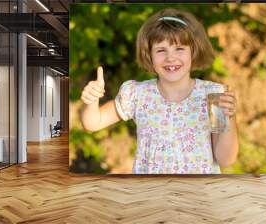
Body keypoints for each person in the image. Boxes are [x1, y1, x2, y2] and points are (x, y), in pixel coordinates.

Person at [80, 8, 238, 174]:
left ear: (194, 50)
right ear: (149, 55)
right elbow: (93, 122)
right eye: (161, 50)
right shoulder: (137, 94)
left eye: (179, 49)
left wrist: (229, 117)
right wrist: (91, 101)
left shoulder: (213, 96)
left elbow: (226, 159)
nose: (170, 57)